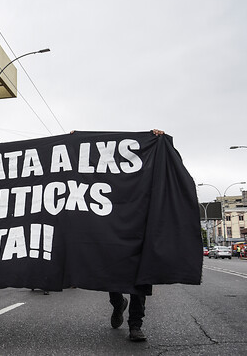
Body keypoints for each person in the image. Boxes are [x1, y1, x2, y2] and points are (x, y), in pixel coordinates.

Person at [108, 129, 164, 342]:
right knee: (111, 280)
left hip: (140, 236)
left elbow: (160, 167)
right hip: (113, 237)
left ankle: (135, 325)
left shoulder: (144, 177)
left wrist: (157, 139)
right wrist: (74, 141)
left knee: (140, 282)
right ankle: (117, 303)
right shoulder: (109, 181)